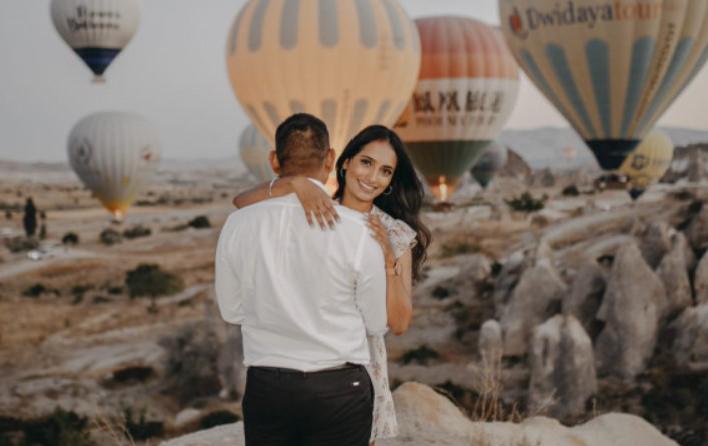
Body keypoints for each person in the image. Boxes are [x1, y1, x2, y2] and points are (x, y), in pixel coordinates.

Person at [233, 124, 431, 444]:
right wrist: (294, 183)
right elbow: (242, 203)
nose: (371, 177)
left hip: (353, 372)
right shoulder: (315, 207)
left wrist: (387, 261)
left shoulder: (394, 235)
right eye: (366, 162)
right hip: (292, 363)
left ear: (392, 180)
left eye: (385, 171)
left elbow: (399, 323)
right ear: (345, 161)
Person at [216, 113, 388, 446]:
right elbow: (376, 322)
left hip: (269, 386)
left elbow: (231, 312)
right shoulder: (358, 231)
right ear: (331, 159)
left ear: (274, 161)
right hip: (339, 388)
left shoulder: (238, 224)